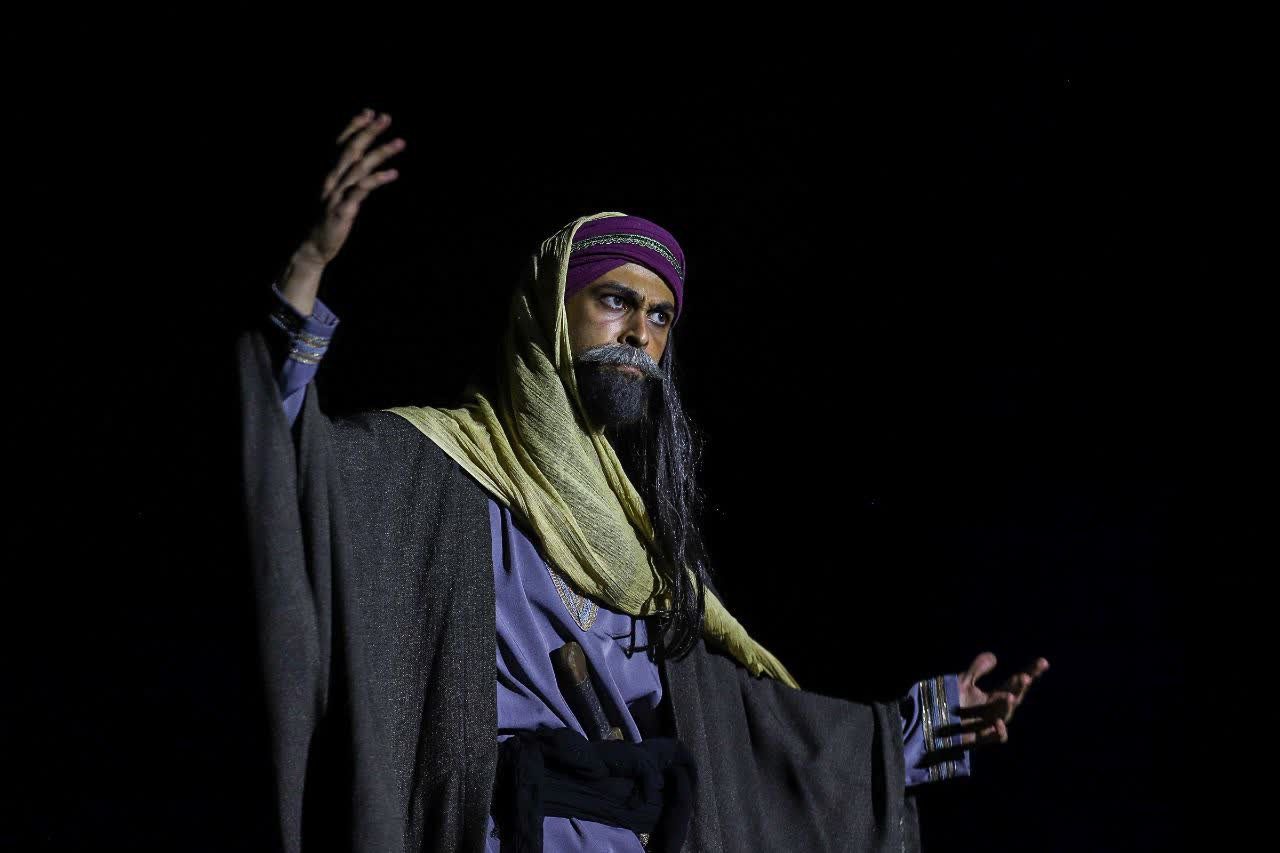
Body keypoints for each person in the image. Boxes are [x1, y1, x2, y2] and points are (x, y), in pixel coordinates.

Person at [236, 108, 1050, 853]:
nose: (640, 333)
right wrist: (308, 266)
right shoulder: (432, 470)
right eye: (615, 301)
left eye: (660, 316)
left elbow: (745, 735)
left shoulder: (648, 554)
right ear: (552, 312)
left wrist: (921, 722)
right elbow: (282, 454)